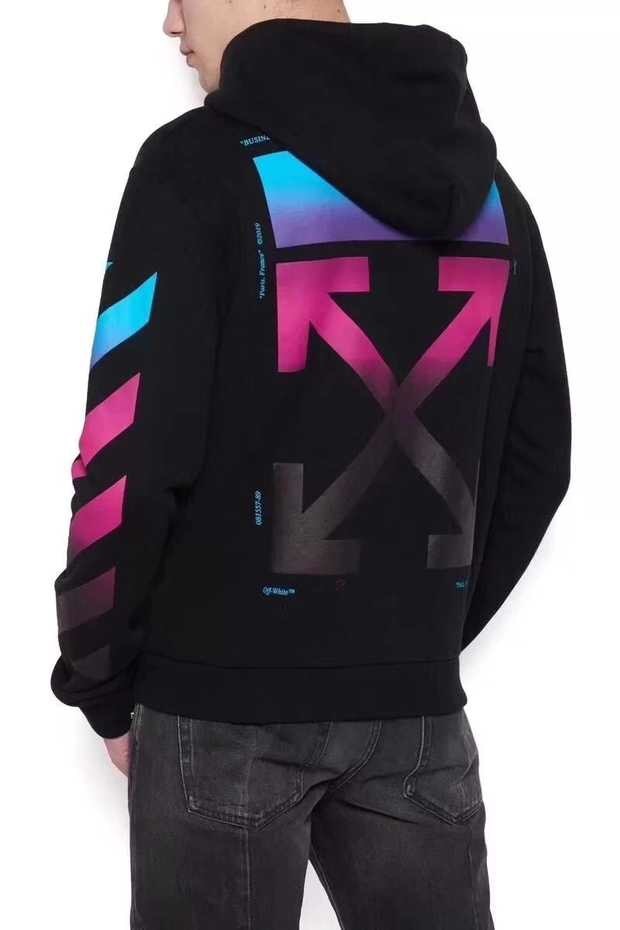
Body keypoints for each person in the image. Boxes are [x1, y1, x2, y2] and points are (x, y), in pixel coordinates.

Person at [51, 1, 571, 927]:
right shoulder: (492, 192)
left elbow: (126, 453)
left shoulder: (193, 166)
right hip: (416, 710)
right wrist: (411, 640)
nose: (169, 22)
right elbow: (539, 456)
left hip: (217, 708)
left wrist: (100, 682)